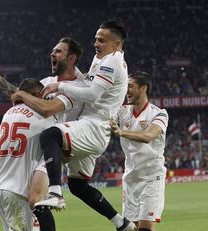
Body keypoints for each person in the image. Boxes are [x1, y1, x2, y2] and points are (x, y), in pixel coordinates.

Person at [0, 37, 85, 231]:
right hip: (32, 137)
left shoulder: (82, 86)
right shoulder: (46, 83)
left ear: (71, 58)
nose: (52, 54)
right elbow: (18, 94)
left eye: (58, 51)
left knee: (36, 199)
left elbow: (45, 107)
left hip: (52, 145)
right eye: (53, 50)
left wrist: (22, 96)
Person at [34, 21, 135, 231]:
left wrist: (60, 85)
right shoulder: (105, 60)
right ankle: (122, 223)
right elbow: (88, 83)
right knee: (78, 186)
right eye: (96, 39)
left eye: (102, 40)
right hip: (94, 128)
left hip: (93, 126)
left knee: (49, 136)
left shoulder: (111, 63)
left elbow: (91, 94)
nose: (96, 43)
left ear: (116, 44)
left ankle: (54, 193)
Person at [0, 78, 56, 230]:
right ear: (35, 94)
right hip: (18, 190)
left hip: (0, 188)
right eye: (42, 95)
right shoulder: (43, 117)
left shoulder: (8, 113)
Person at [110, 71, 169, 231]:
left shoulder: (159, 113)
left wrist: (122, 132)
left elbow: (148, 136)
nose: (126, 90)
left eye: (130, 86)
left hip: (151, 178)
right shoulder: (121, 112)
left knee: (145, 228)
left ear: (143, 88)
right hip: (130, 179)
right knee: (129, 228)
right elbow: (102, 122)